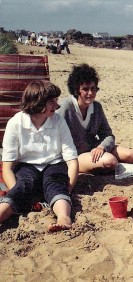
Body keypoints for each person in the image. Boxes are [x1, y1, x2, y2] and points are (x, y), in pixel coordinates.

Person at [0, 81, 79, 232]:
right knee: (22, 186)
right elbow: (8, 166)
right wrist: (17, 191)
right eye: (52, 101)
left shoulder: (58, 122)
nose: (57, 105)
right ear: (37, 103)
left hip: (54, 164)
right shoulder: (16, 123)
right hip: (26, 165)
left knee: (55, 184)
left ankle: (64, 218)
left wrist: (67, 189)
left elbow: (72, 160)